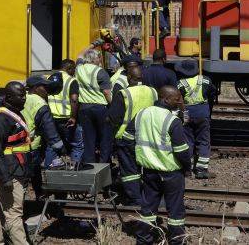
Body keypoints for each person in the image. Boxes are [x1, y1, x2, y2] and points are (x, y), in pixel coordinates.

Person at [123, 86, 191, 245]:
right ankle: (176, 241)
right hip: (171, 174)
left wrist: (139, 155)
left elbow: (127, 138)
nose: (180, 101)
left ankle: (143, 240)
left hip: (149, 172)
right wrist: (187, 168)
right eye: (177, 99)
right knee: (175, 212)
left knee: (148, 210)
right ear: (166, 99)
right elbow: (182, 151)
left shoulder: (141, 114)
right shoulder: (172, 121)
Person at [107, 65, 158, 206]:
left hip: (127, 138)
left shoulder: (124, 94)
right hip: (147, 136)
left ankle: (134, 198)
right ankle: (148, 195)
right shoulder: (152, 92)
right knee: (147, 167)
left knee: (130, 170)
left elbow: (113, 118)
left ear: (129, 77)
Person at [0, 81, 31, 245]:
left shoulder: (14, 114)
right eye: (20, 95)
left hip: (16, 169)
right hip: (10, 172)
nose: (24, 98)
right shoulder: (0, 119)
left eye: (24, 94)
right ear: (8, 97)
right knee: (14, 213)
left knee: (0, 209)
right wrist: (4, 178)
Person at [22, 74, 67, 198]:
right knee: (32, 173)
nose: (47, 90)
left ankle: (38, 197)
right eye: (44, 87)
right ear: (36, 88)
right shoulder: (40, 103)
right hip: (31, 145)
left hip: (16, 145)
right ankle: (37, 199)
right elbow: (49, 129)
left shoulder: (21, 97)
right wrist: (60, 147)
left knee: (29, 174)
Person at [175, 59, 218, 179]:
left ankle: (187, 169)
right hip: (203, 113)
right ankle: (201, 170)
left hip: (187, 113)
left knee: (188, 141)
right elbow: (212, 94)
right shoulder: (206, 80)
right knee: (204, 141)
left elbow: (177, 99)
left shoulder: (179, 83)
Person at [75, 48, 114, 164]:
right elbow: (107, 92)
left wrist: (93, 45)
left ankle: (89, 164)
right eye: (98, 57)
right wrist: (112, 105)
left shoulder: (79, 69)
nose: (100, 60)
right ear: (94, 59)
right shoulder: (100, 72)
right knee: (105, 138)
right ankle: (104, 164)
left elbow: (80, 55)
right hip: (100, 108)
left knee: (88, 139)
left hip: (84, 108)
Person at [44, 59, 85, 168]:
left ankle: (48, 170)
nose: (74, 72)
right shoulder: (71, 81)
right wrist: (73, 117)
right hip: (67, 119)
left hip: (52, 119)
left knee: (53, 145)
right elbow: (74, 100)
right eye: (74, 69)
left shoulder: (49, 79)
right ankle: (74, 171)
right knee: (77, 146)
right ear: (69, 68)